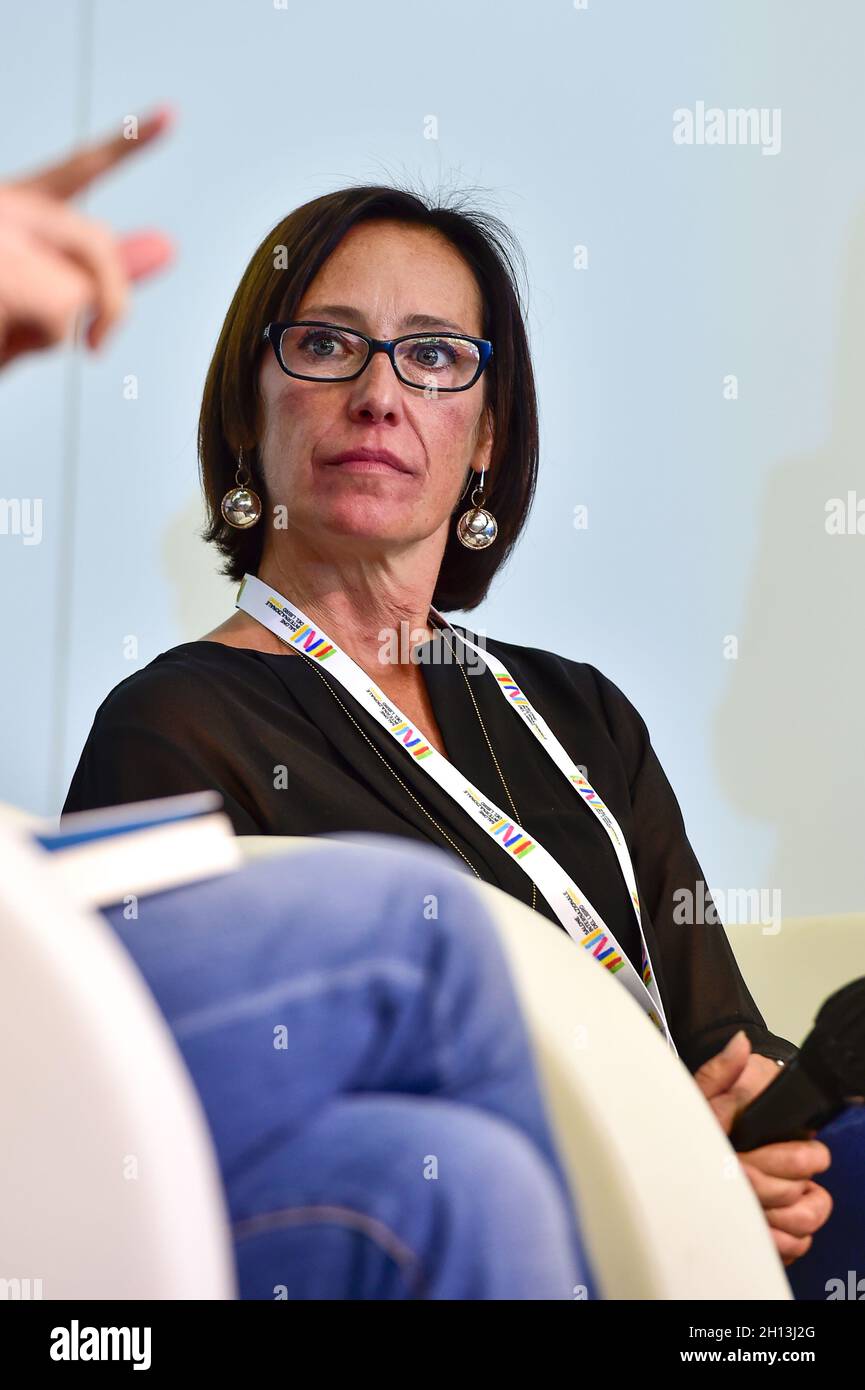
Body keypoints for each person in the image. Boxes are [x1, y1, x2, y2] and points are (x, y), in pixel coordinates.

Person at [60, 182, 844, 1270]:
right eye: (329, 345)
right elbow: (192, 1123)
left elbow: (725, 1046)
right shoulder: (174, 724)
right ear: (249, 410)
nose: (379, 393)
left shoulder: (581, 716)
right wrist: (656, 1169)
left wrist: (759, 1150)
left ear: (487, 436)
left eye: (432, 357)